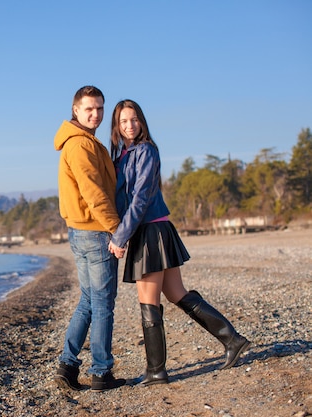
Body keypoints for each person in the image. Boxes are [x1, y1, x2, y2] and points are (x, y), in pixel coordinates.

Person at [107, 99, 251, 386]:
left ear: (142, 121)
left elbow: (140, 199)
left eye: (134, 119)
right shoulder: (121, 155)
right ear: (117, 126)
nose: (129, 125)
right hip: (150, 230)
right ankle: (232, 340)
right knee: (176, 293)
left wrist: (120, 237)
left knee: (149, 302)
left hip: (150, 231)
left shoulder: (145, 150)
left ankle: (156, 371)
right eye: (123, 121)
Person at [53, 86, 126, 392]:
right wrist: (118, 231)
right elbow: (94, 193)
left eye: (99, 109)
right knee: (103, 303)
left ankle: (67, 366)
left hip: (81, 231)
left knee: (89, 301)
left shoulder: (85, 141)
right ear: (76, 111)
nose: (95, 115)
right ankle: (100, 372)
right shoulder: (80, 145)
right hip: (95, 232)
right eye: (89, 109)